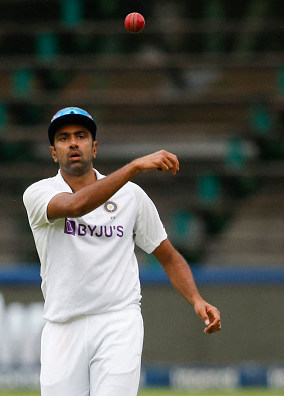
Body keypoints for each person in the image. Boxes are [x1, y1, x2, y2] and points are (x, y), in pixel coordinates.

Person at [23, 106, 221, 396]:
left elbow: (167, 254)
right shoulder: (38, 193)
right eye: (64, 138)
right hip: (62, 326)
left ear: (95, 147)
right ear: (54, 153)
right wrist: (134, 168)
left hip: (118, 322)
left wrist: (196, 299)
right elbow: (75, 206)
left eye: (81, 135)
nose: (74, 143)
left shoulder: (131, 197)